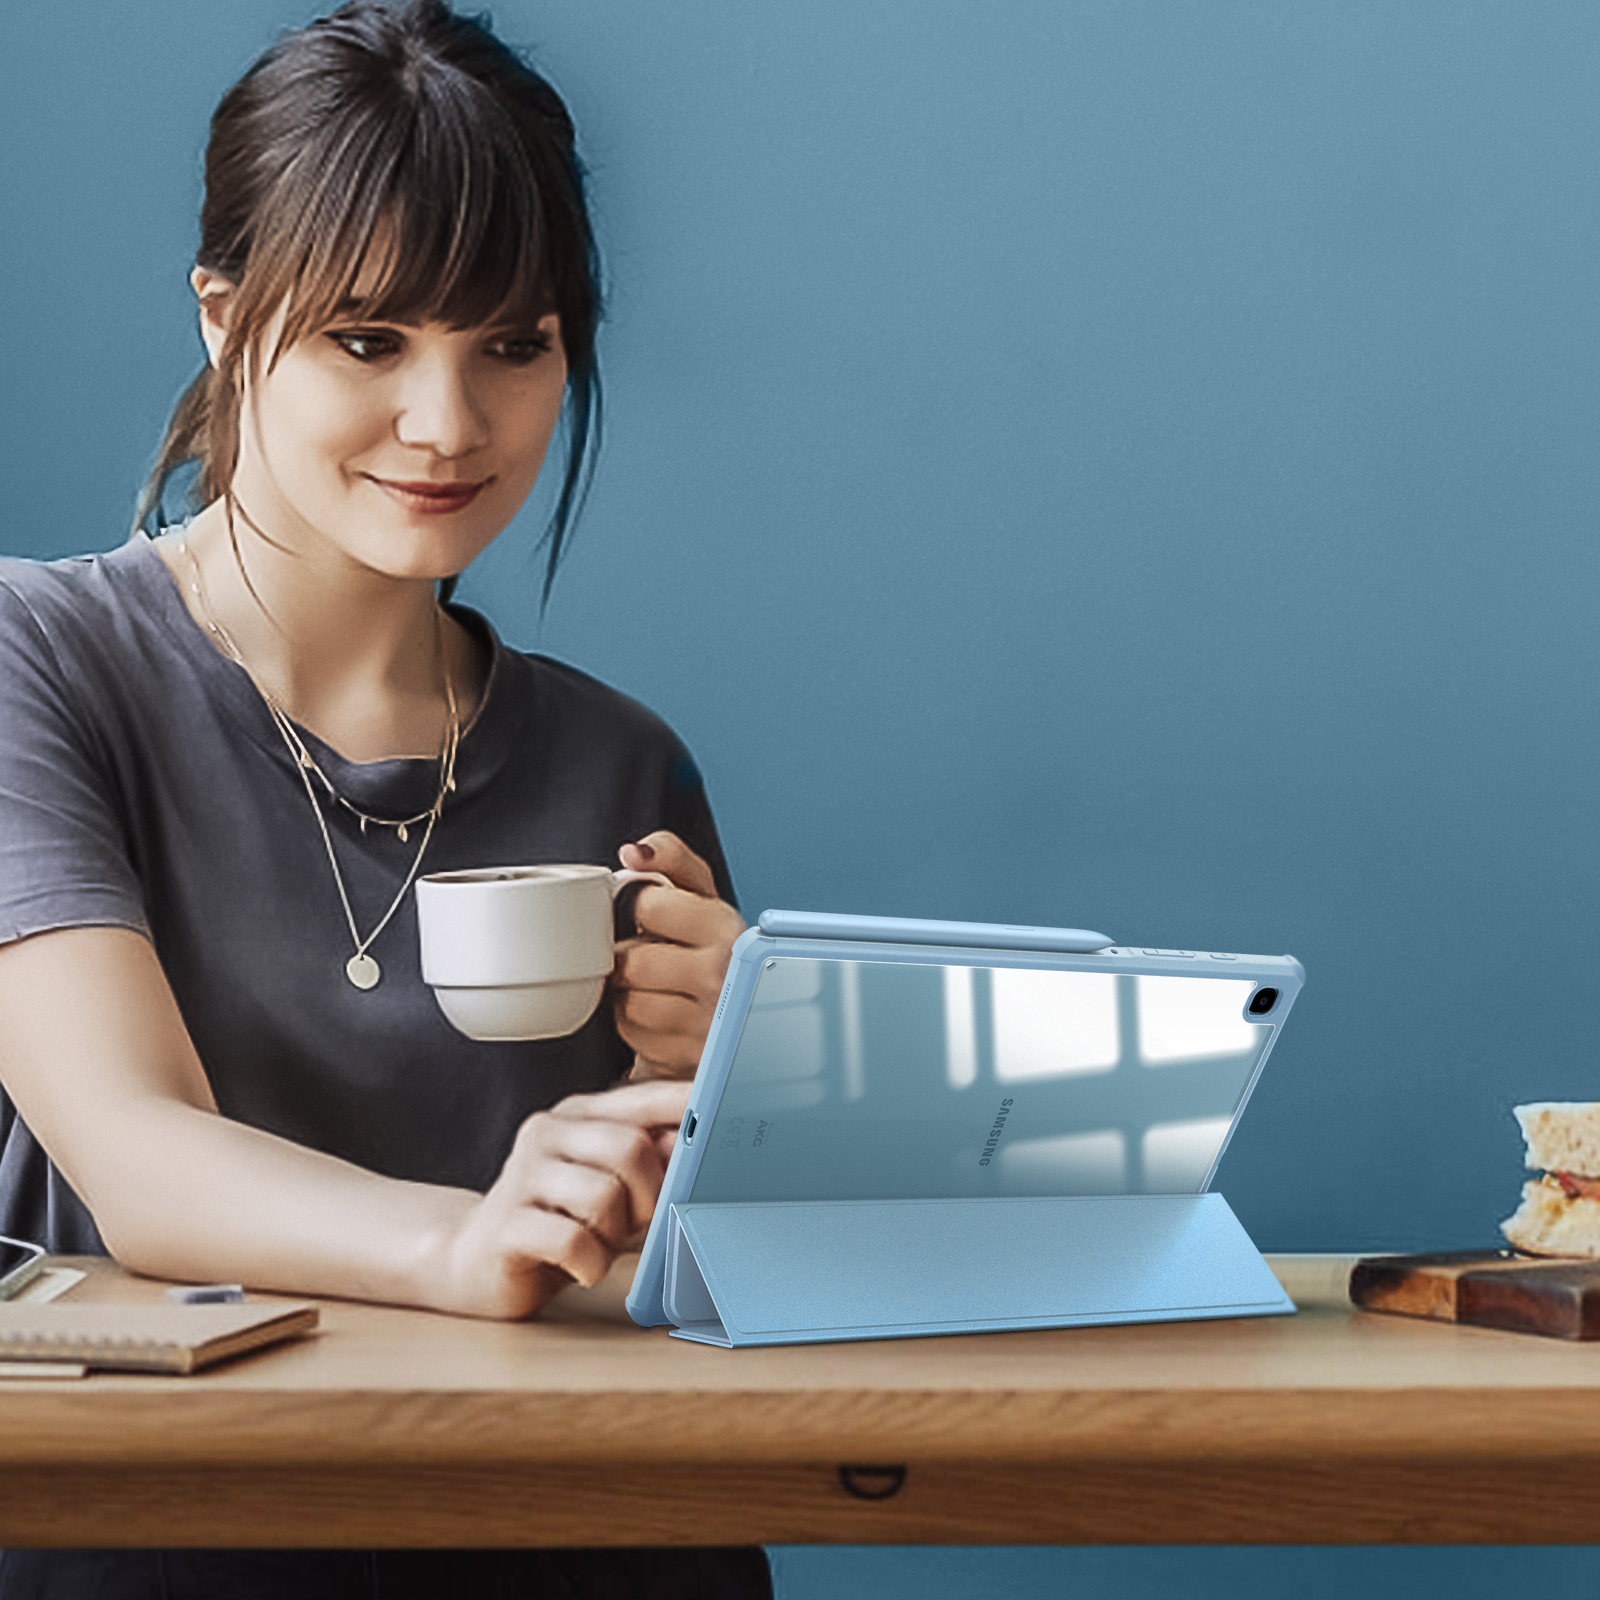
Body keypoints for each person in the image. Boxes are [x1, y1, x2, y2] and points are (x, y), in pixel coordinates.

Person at [0, 3, 765, 1595]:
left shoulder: (624, 764)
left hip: (577, 1539)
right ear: (224, 320)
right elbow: (132, 1150)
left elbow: (702, 1287)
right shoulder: (40, 665)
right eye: (369, 340)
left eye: (515, 342)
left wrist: (751, 1077)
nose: (450, 424)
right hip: (163, 1551)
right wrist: (457, 1242)